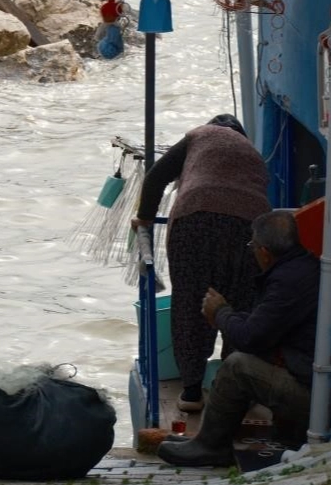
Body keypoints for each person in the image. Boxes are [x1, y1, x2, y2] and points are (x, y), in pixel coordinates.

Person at [157, 210, 321, 467]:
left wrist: (221, 313)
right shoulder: (299, 268)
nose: (252, 252)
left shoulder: (288, 280)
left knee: (237, 366)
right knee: (243, 357)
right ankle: (209, 438)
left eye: (252, 246)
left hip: (309, 394)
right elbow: (261, 324)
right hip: (308, 379)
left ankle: (211, 446)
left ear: (264, 252)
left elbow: (249, 337)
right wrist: (227, 316)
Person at [132, 114, 271, 411]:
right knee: (241, 303)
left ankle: (192, 393)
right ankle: (233, 392)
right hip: (249, 227)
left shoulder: (199, 135)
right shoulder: (253, 153)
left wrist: (145, 216)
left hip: (195, 219)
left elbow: (156, 176)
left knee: (190, 302)